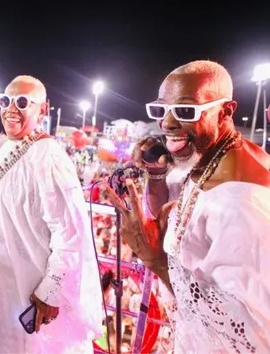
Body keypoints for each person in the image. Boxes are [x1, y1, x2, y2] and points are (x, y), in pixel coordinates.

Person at [105, 60, 270, 353]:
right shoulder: (211, 157)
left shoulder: (241, 204)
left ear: (226, 111)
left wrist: (155, 261)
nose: (166, 123)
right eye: (161, 110)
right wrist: (156, 175)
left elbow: (247, 337)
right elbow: (171, 211)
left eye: (184, 111)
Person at [0, 75, 102, 353]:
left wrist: (50, 291)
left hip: (28, 294)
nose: (11, 109)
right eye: (6, 101)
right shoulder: (7, 149)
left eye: (23, 102)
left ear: (43, 109)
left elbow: (70, 234)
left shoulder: (49, 157)